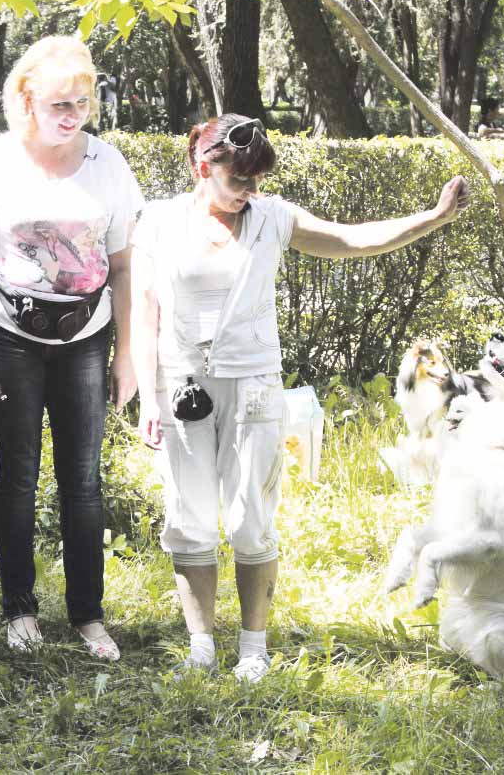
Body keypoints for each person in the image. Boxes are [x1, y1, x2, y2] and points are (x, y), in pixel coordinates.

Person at [129, 113, 468, 682]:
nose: (250, 190)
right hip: (181, 385)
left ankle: (253, 648)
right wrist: (146, 397)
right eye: (239, 179)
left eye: (257, 179)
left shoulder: (273, 218)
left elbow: (351, 239)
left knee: (250, 518)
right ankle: (201, 647)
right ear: (203, 167)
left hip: (254, 386)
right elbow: (143, 316)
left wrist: (431, 218)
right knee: (189, 518)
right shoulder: (159, 221)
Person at [0, 35, 143, 660]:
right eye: (60, 103)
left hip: (86, 336)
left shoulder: (109, 166)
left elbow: (124, 268)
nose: (72, 115)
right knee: (18, 475)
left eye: (83, 103)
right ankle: (20, 610)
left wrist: (128, 354)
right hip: (9, 334)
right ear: (26, 99)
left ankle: (89, 616)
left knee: (83, 479)